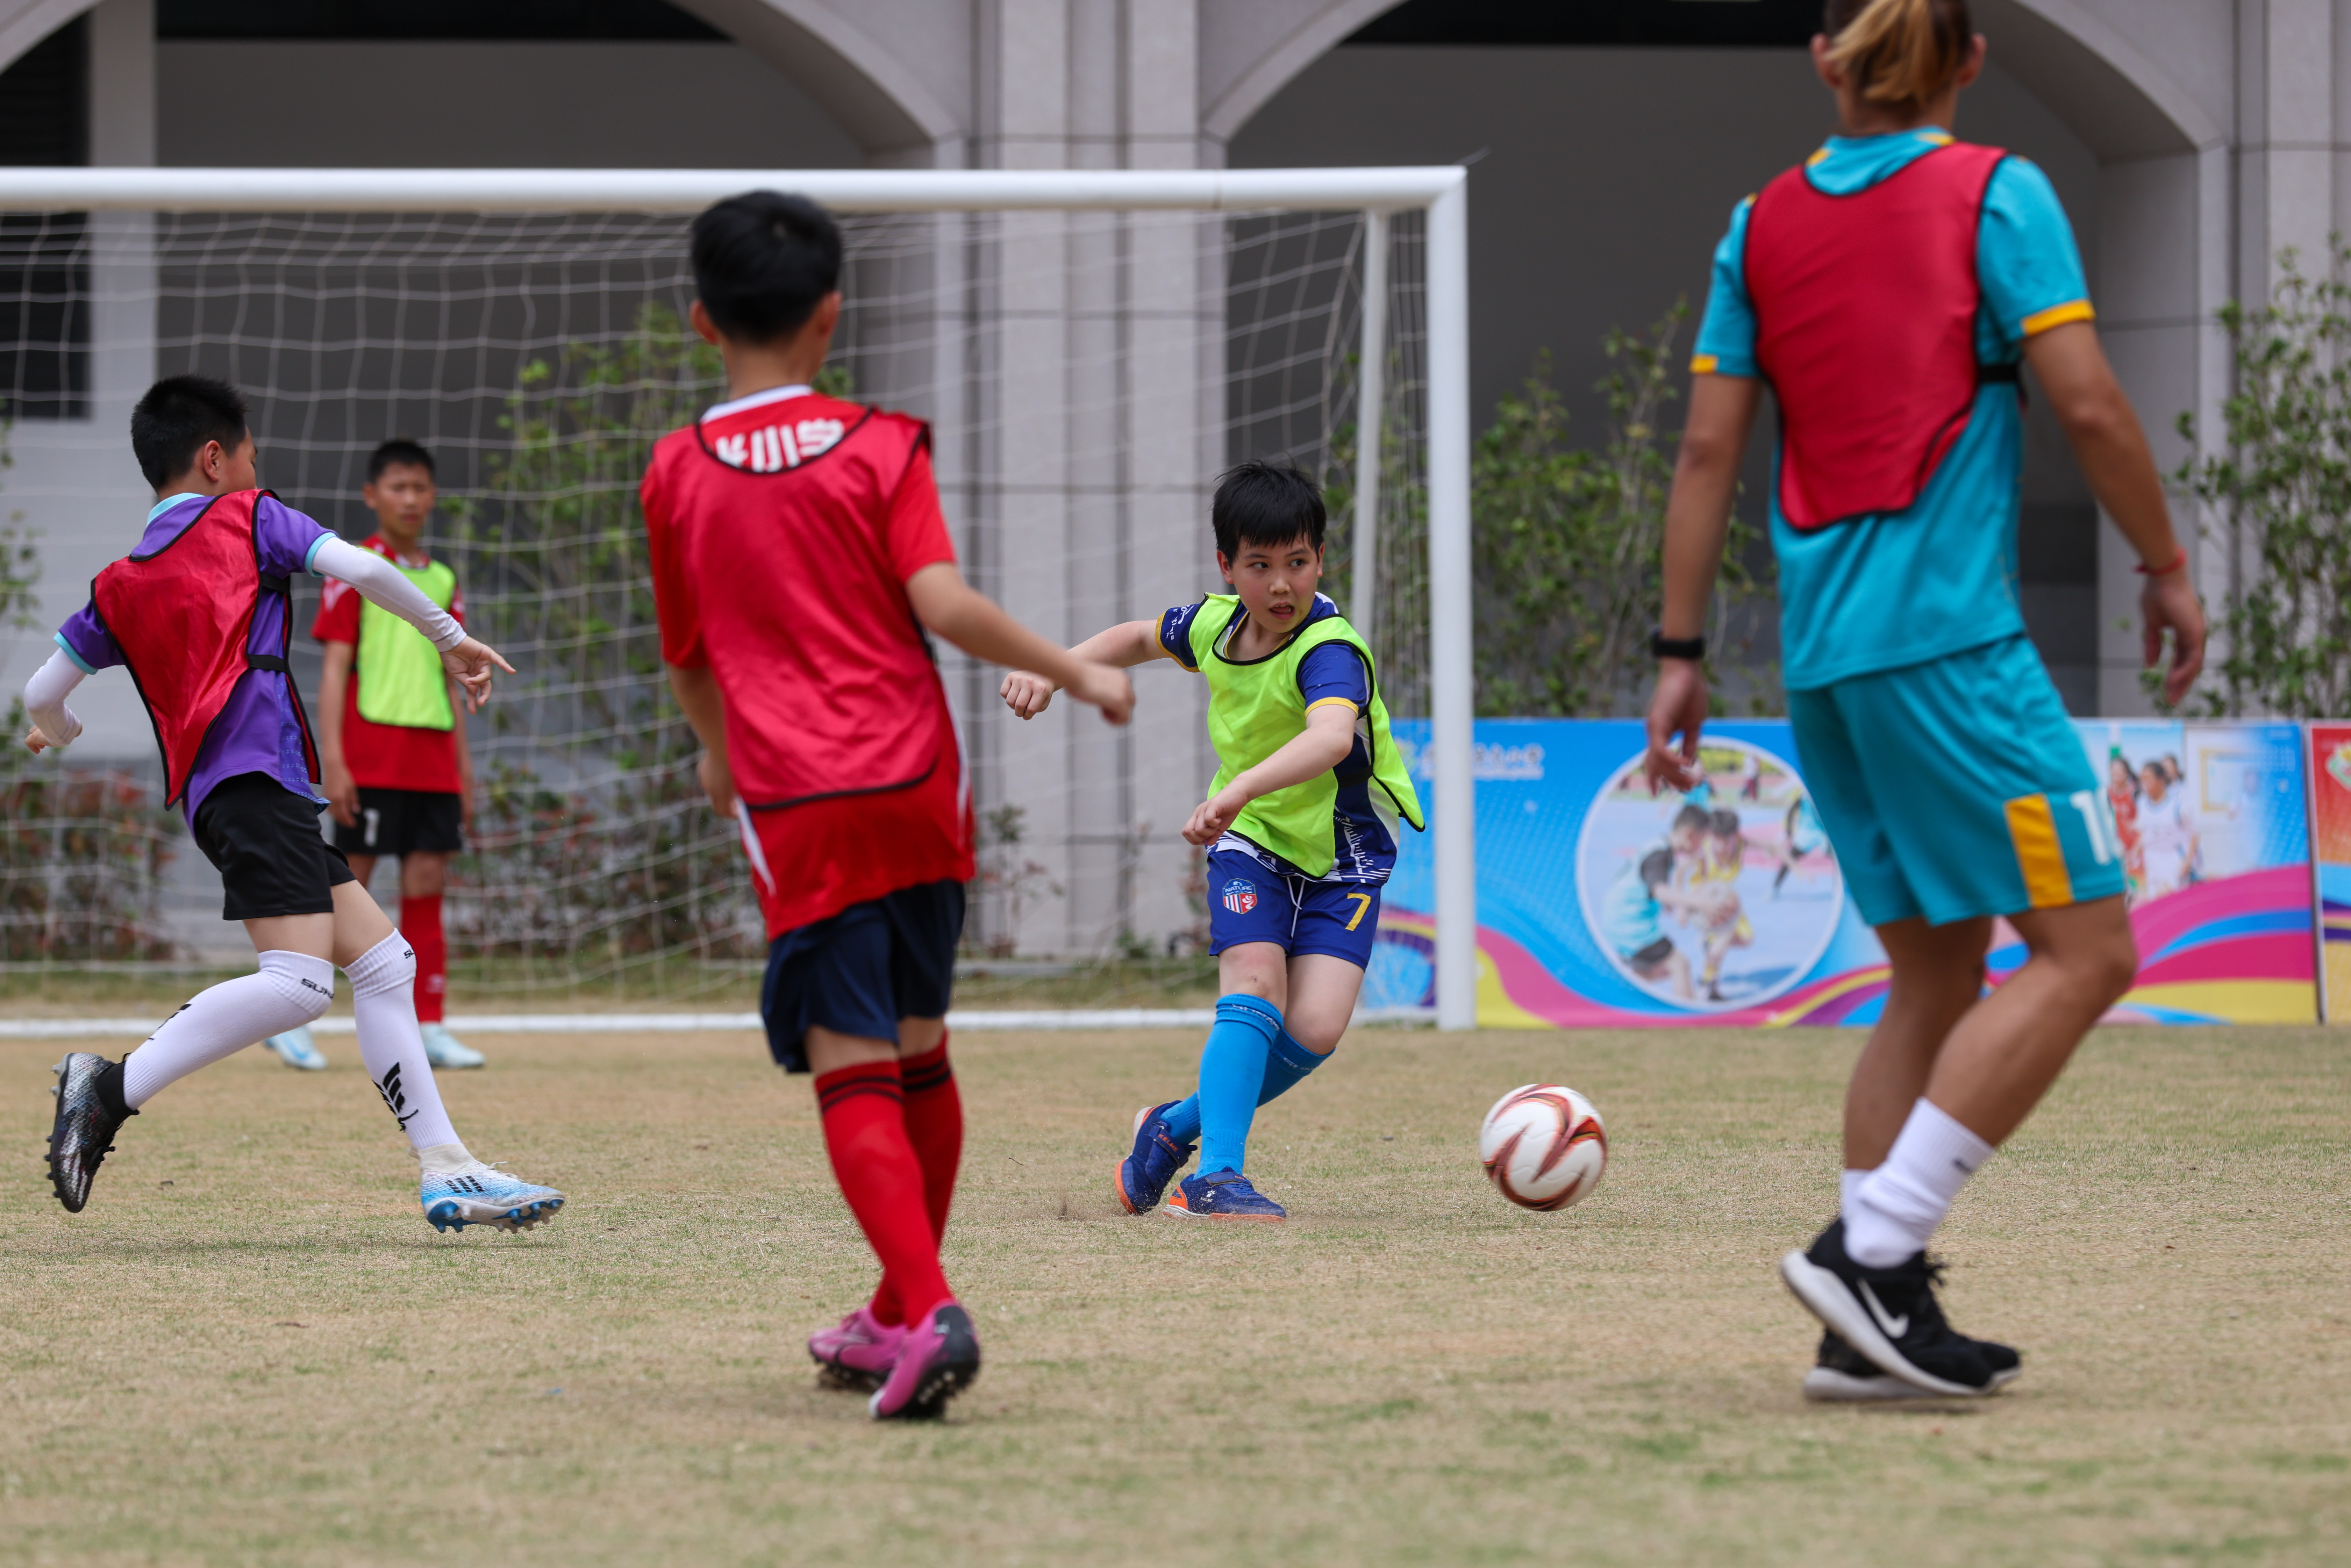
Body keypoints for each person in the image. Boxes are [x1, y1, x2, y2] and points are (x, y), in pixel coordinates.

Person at [1641, 0, 2204, 1402]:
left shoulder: (1757, 223)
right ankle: (1873, 1243)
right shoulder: (1997, 194)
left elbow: (1706, 453)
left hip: (1824, 667)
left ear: (1823, 59)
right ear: (1969, 60)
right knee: (2089, 951)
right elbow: (2088, 406)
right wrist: (2166, 564)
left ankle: (1866, 1327)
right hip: (1953, 658)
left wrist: (1679, 648)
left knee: (1937, 971)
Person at [642, 191, 1134, 1420]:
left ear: (702, 320)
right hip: (920, 785)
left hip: (799, 800)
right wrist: (1076, 671)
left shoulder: (675, 470)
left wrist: (717, 756)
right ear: (831, 316)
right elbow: (944, 603)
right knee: (921, 1045)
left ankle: (932, 1309)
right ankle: (892, 1310)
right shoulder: (881, 443)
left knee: (851, 1060)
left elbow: (687, 660)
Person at [25, 375, 564, 1233]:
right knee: (300, 984)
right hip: (256, 785)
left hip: (228, 798)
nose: (256, 469)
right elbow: (365, 568)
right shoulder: (250, 517)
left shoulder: (118, 583)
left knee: (384, 964)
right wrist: (448, 635)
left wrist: (62, 728)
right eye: (250, 455)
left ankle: (448, 1166)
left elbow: (40, 693)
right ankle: (109, 1086)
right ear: (215, 458)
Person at [1002, 460, 1424, 1225]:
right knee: (1254, 985)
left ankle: (1172, 1127)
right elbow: (1135, 637)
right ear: (1226, 567)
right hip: (1251, 841)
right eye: (1259, 566)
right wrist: (1054, 670)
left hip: (1341, 856)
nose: (1281, 584)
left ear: (1320, 559)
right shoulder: (1213, 625)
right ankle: (1215, 1177)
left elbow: (1330, 739)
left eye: (1297, 562)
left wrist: (1236, 790)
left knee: (1314, 1030)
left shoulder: (1330, 649)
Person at [263, 437, 484, 1072]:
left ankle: (431, 1024)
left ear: (432, 496)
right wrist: (334, 760)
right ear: (372, 496)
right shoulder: (355, 569)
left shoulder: (443, 579)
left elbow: (451, 678)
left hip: (433, 759)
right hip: (372, 757)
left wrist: (464, 770)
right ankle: (291, 1016)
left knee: (427, 884)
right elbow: (334, 670)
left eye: (420, 488)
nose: (410, 499)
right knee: (345, 887)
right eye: (397, 487)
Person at [1696, 808, 1754, 1002]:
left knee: (1746, 940)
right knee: (1720, 946)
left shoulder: (1741, 844)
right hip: (1708, 903)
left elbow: (1773, 846)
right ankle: (1708, 985)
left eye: (1726, 840)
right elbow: (1683, 872)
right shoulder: (1704, 850)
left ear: (1735, 836)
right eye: (1717, 839)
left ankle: (1710, 960)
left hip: (1729, 901)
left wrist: (1794, 865)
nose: (1721, 845)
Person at [2136, 758, 2197, 900]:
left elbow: (2195, 833)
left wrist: (2188, 862)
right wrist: (2135, 853)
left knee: (2165, 897)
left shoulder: (2177, 806)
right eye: (2143, 781)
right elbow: (2144, 833)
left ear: (2161, 781)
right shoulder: (2142, 804)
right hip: (2151, 860)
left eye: (2149, 780)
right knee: (2153, 902)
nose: (2145, 785)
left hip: (2172, 860)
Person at [2106, 749, 2144, 902]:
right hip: (2121, 846)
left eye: (2119, 773)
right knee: (2124, 888)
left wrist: (2136, 849)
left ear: (2126, 773)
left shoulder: (2135, 793)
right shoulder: (2109, 792)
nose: (2115, 776)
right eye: (2113, 773)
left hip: (2138, 846)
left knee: (2141, 886)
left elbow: (2145, 823)